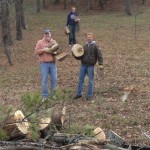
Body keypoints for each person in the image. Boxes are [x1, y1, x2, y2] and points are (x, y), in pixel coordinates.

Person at [74, 33, 103, 100]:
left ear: (92, 38)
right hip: (83, 65)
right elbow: (80, 56)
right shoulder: (84, 47)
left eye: (90, 37)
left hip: (90, 66)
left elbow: (99, 56)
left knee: (91, 80)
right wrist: (75, 55)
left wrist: (101, 64)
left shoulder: (95, 46)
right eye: (88, 37)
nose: (89, 38)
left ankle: (89, 95)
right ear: (86, 38)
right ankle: (79, 94)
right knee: (81, 80)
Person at [35, 29, 57, 100]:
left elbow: (57, 51)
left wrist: (54, 51)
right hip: (44, 64)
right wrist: (44, 50)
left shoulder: (54, 42)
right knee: (44, 80)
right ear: (44, 35)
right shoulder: (40, 42)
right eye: (46, 34)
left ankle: (53, 95)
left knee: (54, 79)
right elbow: (36, 51)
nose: (47, 35)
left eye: (48, 33)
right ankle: (45, 96)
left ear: (50, 34)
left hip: (53, 64)